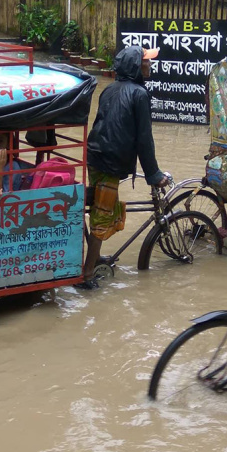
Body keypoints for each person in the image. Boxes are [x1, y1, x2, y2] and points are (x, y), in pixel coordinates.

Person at [78, 46, 170, 290]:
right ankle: (87, 274)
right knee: (102, 215)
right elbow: (144, 139)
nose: (149, 65)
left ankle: (94, 259)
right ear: (135, 67)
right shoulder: (139, 94)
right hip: (110, 161)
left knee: (98, 205)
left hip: (95, 156)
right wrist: (154, 175)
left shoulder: (108, 89)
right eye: (146, 62)